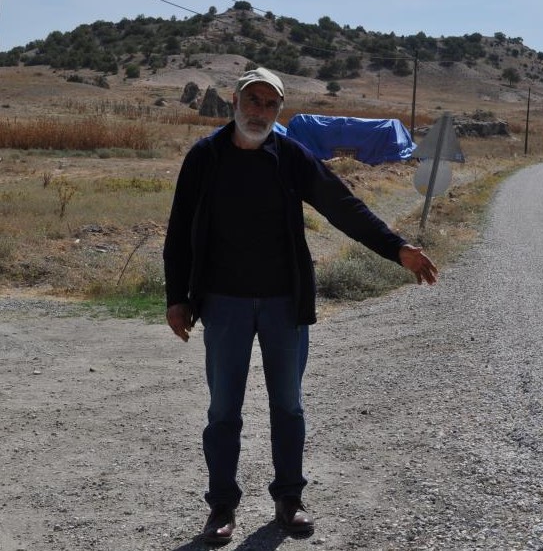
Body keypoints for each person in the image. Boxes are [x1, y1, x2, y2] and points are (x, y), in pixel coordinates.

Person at [163, 67, 438, 544]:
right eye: (253, 100)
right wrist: (176, 298)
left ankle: (289, 499)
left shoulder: (291, 156)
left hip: (283, 303)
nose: (260, 111)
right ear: (235, 101)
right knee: (223, 410)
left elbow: (343, 207)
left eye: (271, 104)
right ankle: (221, 506)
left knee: (288, 406)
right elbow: (179, 230)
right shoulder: (205, 156)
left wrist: (397, 248)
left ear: (279, 111)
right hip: (224, 303)